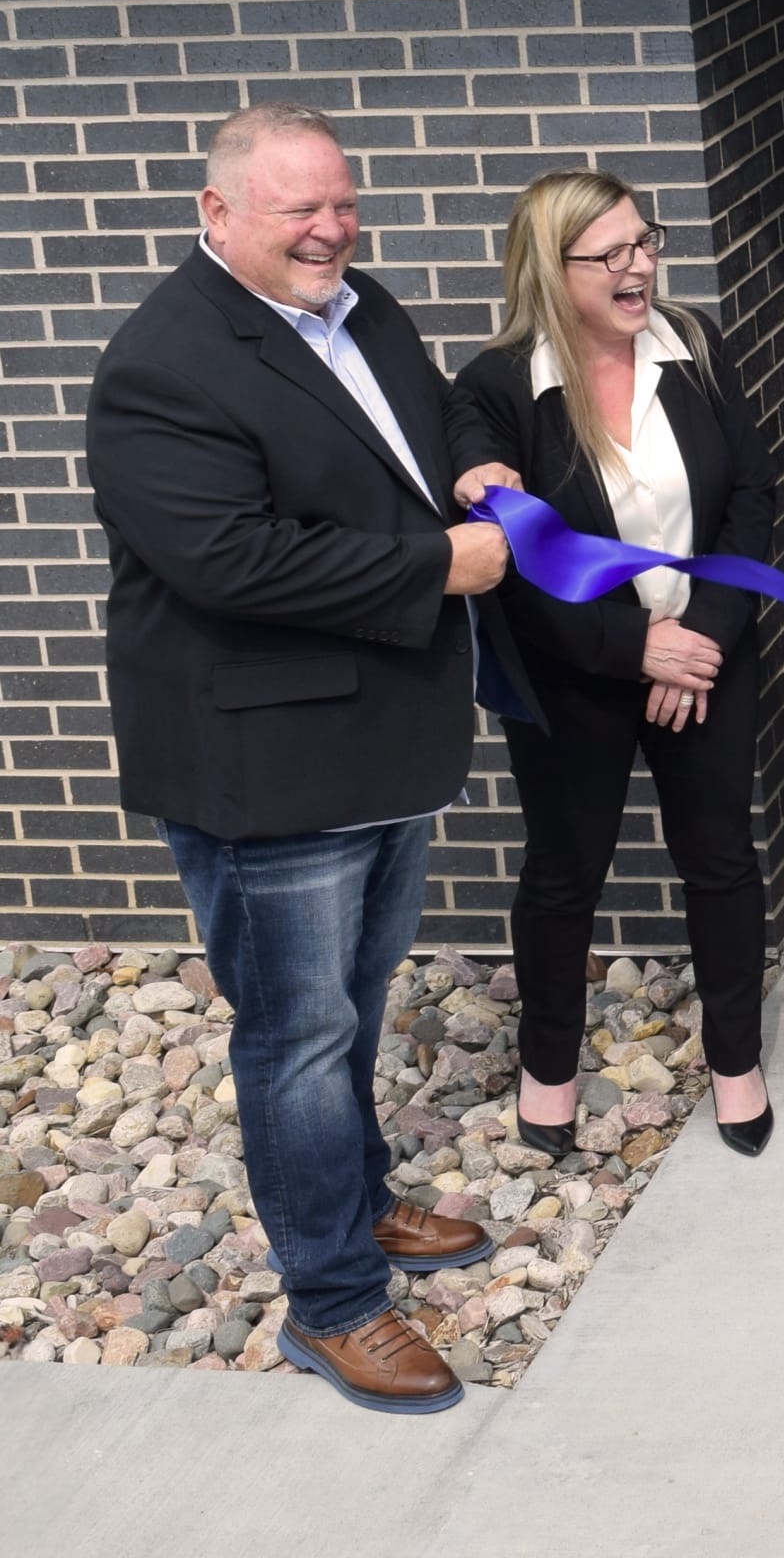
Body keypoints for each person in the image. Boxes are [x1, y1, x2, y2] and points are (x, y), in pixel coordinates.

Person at [86, 102, 531, 1414]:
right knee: (296, 1030)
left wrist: (474, 464)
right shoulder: (164, 365)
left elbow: (427, 420)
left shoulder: (358, 302)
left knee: (353, 997)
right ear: (217, 214)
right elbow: (232, 560)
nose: (332, 228)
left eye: (343, 202)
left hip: (379, 736)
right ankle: (332, 1302)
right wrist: (435, 565)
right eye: (300, 210)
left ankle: (358, 1202)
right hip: (265, 763)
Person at [454, 171, 782, 1160]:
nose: (640, 266)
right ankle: (548, 1067)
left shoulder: (699, 348)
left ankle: (737, 1060)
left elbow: (752, 501)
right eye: (613, 253)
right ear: (552, 271)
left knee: (720, 859)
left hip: (706, 656)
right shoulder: (499, 387)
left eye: (646, 242)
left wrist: (703, 639)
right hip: (577, 673)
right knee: (564, 874)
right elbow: (517, 565)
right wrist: (635, 648)